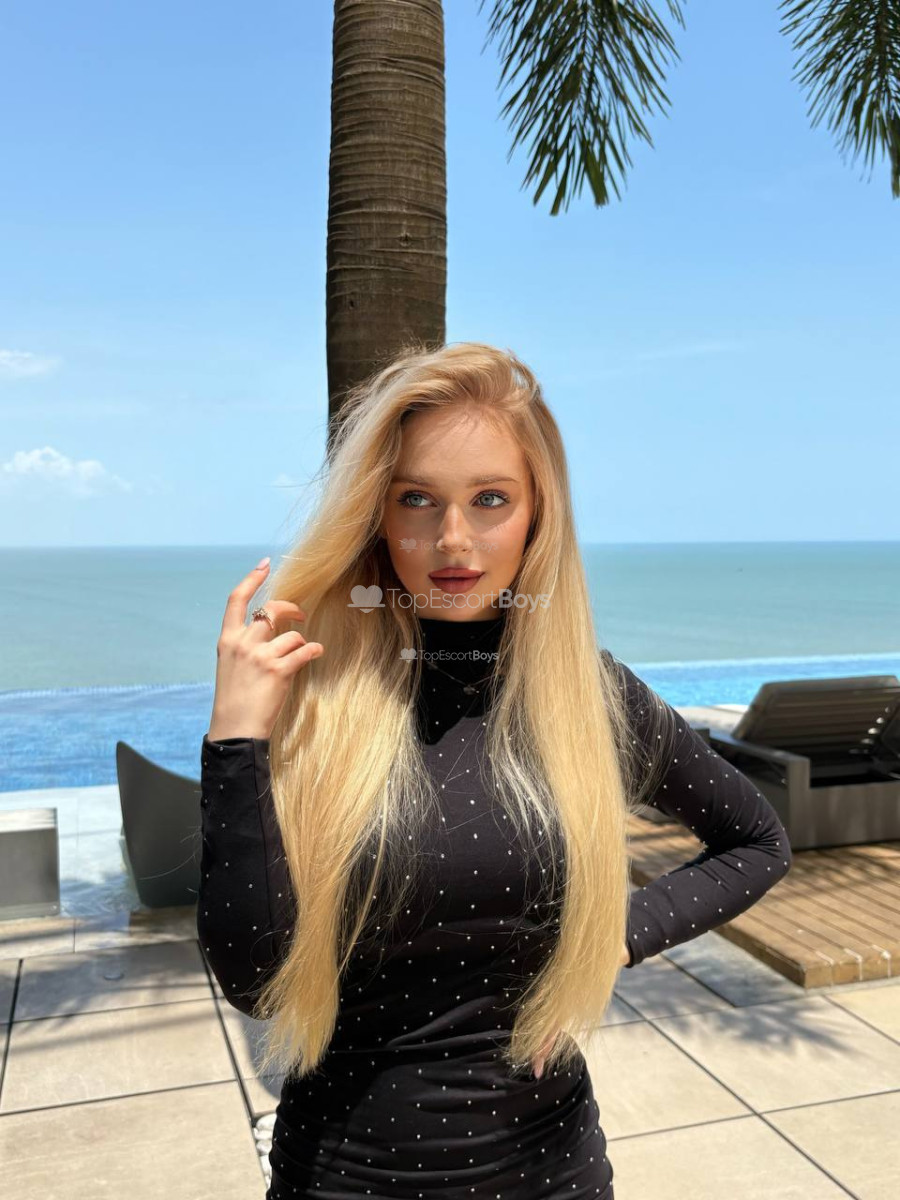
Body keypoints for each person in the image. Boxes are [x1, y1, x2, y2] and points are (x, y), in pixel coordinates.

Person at [196, 341, 792, 1199]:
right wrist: (236, 739)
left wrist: (609, 940)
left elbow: (757, 842)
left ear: (536, 514)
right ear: (375, 516)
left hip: (555, 1172)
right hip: (344, 1178)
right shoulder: (308, 691)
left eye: (490, 500)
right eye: (416, 499)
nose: (453, 539)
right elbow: (256, 983)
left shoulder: (587, 697)